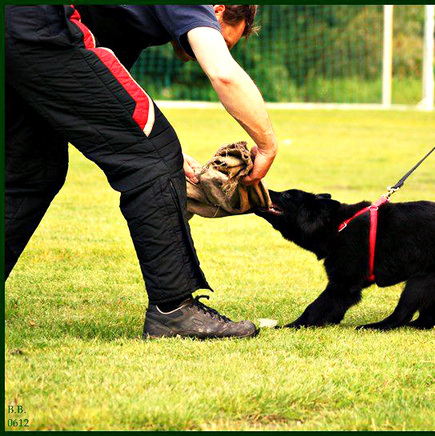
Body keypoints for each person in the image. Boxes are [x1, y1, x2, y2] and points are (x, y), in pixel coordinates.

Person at [5, 5, 278, 339]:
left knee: (31, 171)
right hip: (41, 24)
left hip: (20, 26)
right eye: (222, 40)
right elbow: (223, 73)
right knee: (154, 155)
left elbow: (106, 99)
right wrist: (266, 145)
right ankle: (173, 310)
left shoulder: (131, 22)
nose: (205, 50)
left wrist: (168, 157)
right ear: (217, 8)